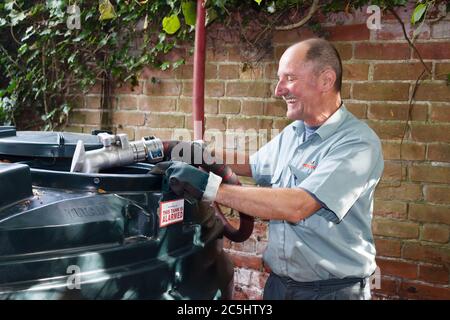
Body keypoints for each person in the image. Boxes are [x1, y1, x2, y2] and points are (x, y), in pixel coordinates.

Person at [158, 38, 384, 300]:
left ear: (326, 80)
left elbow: (298, 205)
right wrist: (192, 151)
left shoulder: (358, 144)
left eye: (289, 77)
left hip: (332, 291)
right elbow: (253, 164)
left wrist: (207, 187)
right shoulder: (295, 132)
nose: (278, 90)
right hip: (279, 286)